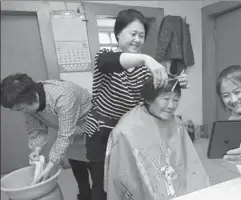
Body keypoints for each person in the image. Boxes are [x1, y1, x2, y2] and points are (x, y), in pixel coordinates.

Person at [84, 9, 188, 200]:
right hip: (102, 135)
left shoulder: (144, 70)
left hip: (130, 136)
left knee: (129, 181)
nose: (137, 40)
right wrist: (146, 58)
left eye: (141, 36)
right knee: (103, 185)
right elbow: (111, 62)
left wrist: (173, 83)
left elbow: (151, 97)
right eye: (133, 34)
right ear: (117, 34)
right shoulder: (104, 57)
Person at [104, 77, 210, 200]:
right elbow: (124, 174)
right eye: (166, 99)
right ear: (149, 99)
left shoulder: (175, 123)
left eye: (176, 100)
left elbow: (187, 162)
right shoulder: (126, 130)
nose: (171, 106)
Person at [0, 73, 92, 200]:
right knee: (79, 173)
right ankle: (84, 196)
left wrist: (50, 166)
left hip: (93, 132)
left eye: (19, 108)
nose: (20, 111)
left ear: (30, 98)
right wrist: (36, 149)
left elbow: (65, 134)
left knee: (97, 174)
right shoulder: (28, 105)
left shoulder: (62, 96)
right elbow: (36, 129)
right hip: (73, 138)